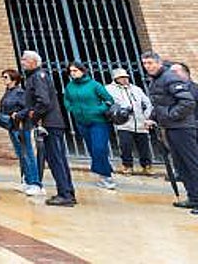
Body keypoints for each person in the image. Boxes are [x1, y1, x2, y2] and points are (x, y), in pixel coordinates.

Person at [14, 50, 76, 206]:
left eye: (25, 60)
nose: (22, 62)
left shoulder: (38, 77)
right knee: (58, 159)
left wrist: (33, 115)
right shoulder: (35, 77)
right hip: (50, 123)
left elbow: (43, 101)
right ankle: (67, 192)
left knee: (56, 159)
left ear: (34, 62)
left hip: (48, 123)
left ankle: (65, 194)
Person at [142, 51, 198, 209]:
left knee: (192, 164)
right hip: (171, 128)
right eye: (145, 64)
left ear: (159, 63)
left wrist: (169, 116)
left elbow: (187, 102)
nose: (148, 67)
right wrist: (153, 118)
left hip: (183, 128)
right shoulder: (155, 81)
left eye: (150, 63)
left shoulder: (170, 77)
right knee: (181, 166)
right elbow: (160, 104)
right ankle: (193, 198)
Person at [62, 61, 117, 190]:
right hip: (81, 122)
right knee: (92, 149)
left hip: (98, 121)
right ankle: (104, 172)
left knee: (99, 148)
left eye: (75, 71)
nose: (72, 73)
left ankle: (106, 176)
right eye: (71, 71)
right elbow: (67, 99)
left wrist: (98, 109)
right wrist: (71, 108)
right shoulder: (70, 86)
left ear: (82, 71)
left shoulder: (94, 85)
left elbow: (109, 100)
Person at [0, 69, 42, 195]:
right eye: (3, 77)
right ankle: (27, 181)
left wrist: (18, 115)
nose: (3, 79)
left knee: (28, 154)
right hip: (12, 127)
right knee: (21, 155)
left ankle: (35, 183)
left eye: (5, 77)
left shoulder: (20, 93)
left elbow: (29, 108)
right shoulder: (8, 92)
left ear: (14, 79)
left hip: (21, 127)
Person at [106, 67, 153, 175]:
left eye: (126, 77)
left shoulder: (136, 89)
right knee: (125, 146)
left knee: (144, 146)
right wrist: (117, 112)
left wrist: (146, 117)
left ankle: (146, 166)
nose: (124, 79)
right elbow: (107, 103)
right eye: (121, 77)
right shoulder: (109, 89)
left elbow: (148, 104)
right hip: (124, 123)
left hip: (141, 122)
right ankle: (127, 166)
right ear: (115, 79)